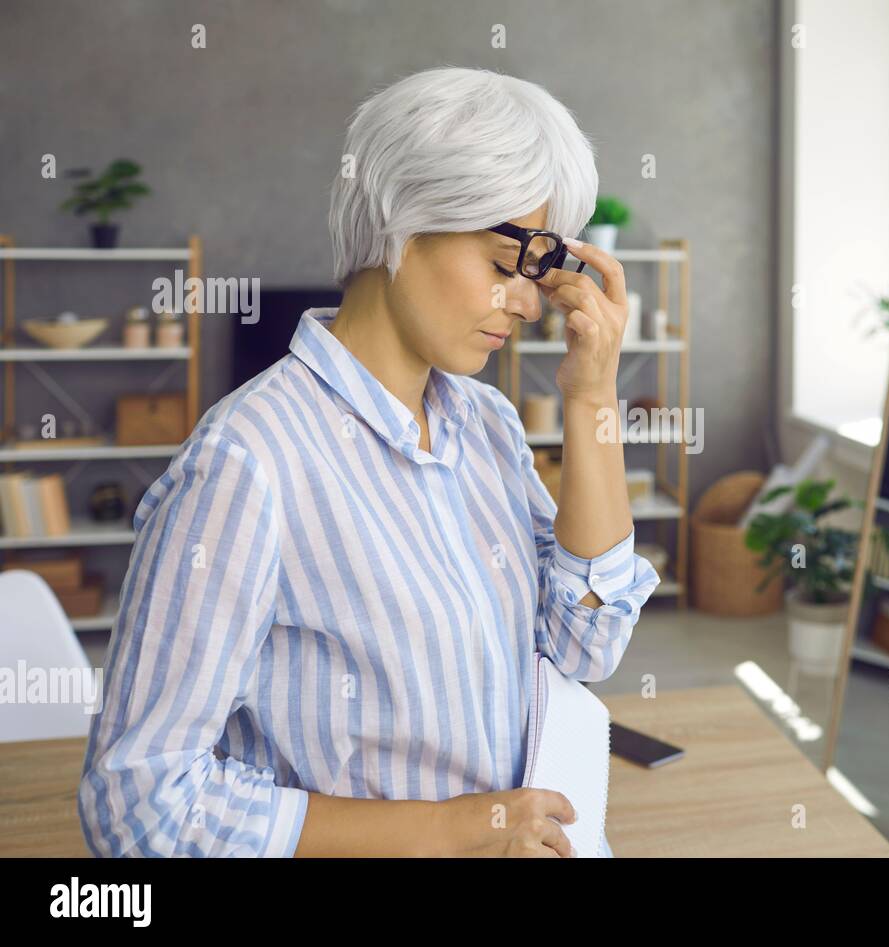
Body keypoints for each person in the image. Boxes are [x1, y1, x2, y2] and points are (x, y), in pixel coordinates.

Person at [78, 66, 659, 857]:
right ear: (400, 226)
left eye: (533, 276)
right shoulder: (247, 464)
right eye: (500, 266)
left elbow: (584, 644)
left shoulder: (484, 424)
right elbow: (138, 803)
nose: (526, 304)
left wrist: (593, 397)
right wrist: (456, 830)